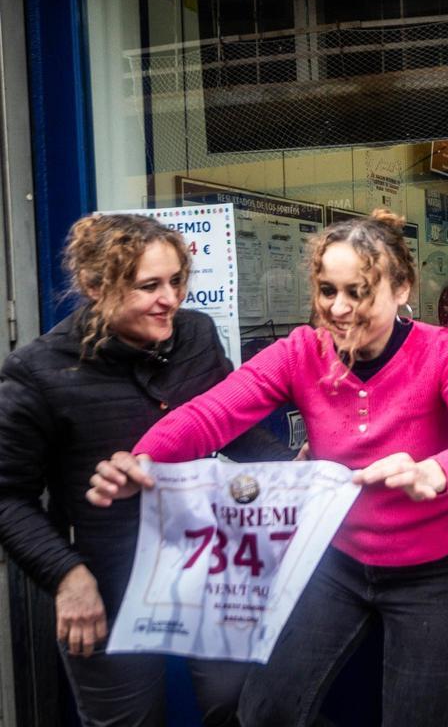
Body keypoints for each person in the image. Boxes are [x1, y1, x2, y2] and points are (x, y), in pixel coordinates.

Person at [89, 210, 448, 726]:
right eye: (327, 291)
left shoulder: (444, 351)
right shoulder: (300, 352)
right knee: (265, 711)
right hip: (337, 561)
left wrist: (434, 472)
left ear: (402, 289)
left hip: (435, 574)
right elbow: (212, 413)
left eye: (358, 292)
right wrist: (143, 459)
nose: (339, 308)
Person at [0, 213, 288, 726]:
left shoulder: (196, 335)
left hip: (209, 565)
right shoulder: (37, 371)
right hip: (106, 583)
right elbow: (7, 496)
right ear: (94, 286)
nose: (171, 299)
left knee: (244, 709)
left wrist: (298, 473)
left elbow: (234, 430)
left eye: (177, 280)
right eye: (149, 286)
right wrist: (67, 576)